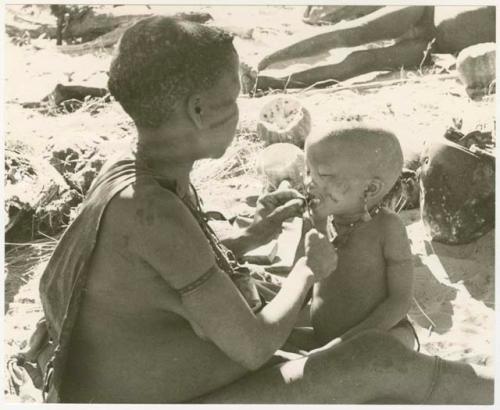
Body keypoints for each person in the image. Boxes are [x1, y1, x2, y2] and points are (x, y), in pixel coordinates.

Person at [37, 16, 493, 404]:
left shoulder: (141, 170)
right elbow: (253, 348)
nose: (238, 112)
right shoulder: (150, 213)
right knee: (374, 359)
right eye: (231, 98)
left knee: (312, 296)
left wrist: (250, 237)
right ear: (198, 110)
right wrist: (307, 271)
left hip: (169, 361)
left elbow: (161, 276)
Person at [289, 125, 419, 354]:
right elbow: (299, 282)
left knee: (386, 352)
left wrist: (346, 343)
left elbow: (400, 301)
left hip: (380, 333)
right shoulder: (320, 220)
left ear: (370, 188)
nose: (310, 184)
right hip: (324, 339)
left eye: (324, 175)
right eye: (309, 172)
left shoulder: (387, 228)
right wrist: (314, 225)